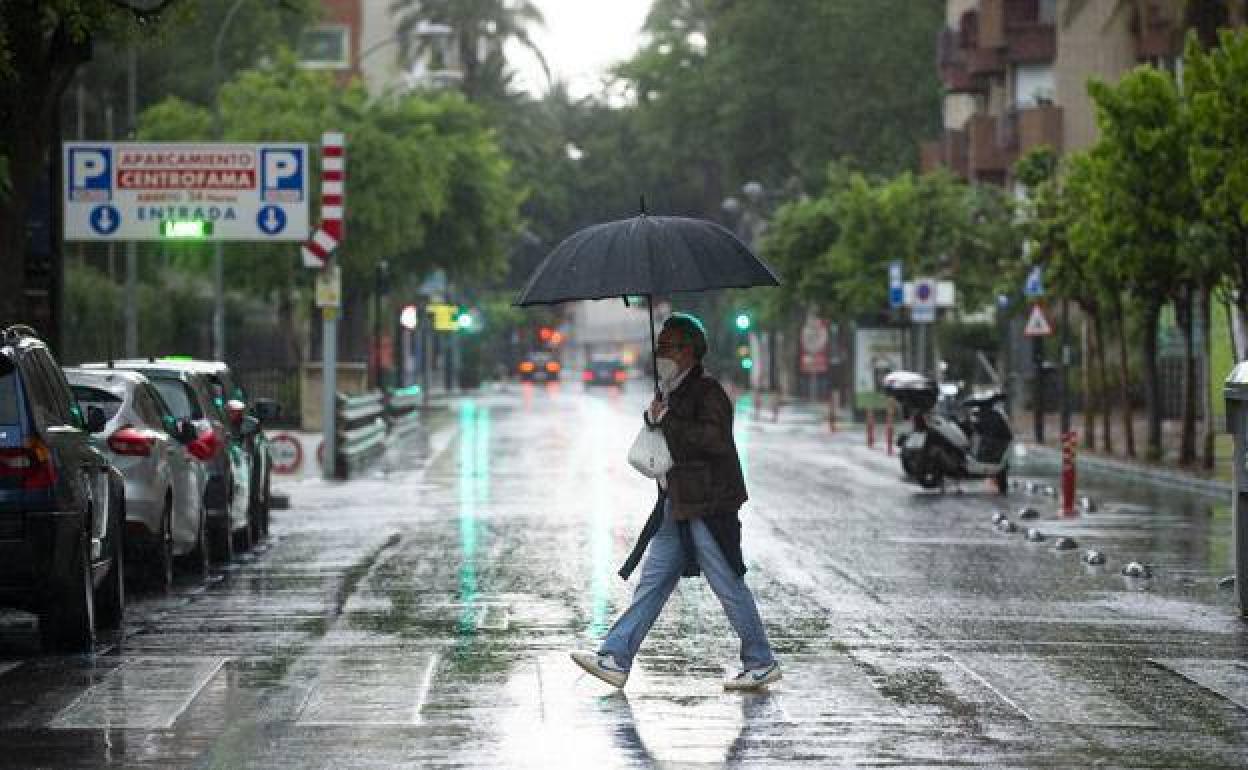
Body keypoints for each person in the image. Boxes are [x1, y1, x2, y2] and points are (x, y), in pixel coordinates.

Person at [571, 313, 781, 691]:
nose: (659, 353)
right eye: (659, 346)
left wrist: (668, 419)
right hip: (677, 504)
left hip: (708, 505)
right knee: (651, 584)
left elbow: (714, 440)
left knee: (728, 583)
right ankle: (615, 657)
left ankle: (761, 661)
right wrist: (656, 416)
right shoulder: (671, 391)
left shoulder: (707, 391)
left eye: (666, 346)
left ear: (688, 351)